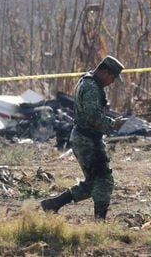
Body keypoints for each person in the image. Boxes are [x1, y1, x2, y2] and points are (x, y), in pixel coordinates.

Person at [40, 55, 127, 221]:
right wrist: (112, 124)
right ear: (105, 72)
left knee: (91, 184)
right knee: (104, 181)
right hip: (88, 140)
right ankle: (99, 222)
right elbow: (92, 116)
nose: (112, 81)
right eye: (112, 77)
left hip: (84, 138)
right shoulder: (92, 87)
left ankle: (53, 204)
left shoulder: (86, 81)